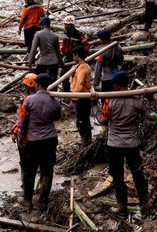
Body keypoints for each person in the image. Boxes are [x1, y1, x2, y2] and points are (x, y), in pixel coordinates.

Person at [99, 71, 148, 216]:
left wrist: (94, 106)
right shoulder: (136, 100)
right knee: (138, 174)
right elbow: (151, 114)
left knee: (118, 176)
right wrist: (151, 99)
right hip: (132, 144)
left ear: (116, 84)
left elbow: (103, 121)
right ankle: (145, 206)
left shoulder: (110, 101)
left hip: (114, 144)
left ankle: (122, 208)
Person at [17, 72, 61, 208]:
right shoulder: (56, 101)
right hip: (50, 139)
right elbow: (58, 117)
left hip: (33, 140)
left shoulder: (29, 100)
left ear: (37, 84)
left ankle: (27, 200)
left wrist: (20, 137)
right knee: (47, 170)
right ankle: (43, 200)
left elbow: (23, 122)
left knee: (30, 172)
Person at [12, 73, 37, 202]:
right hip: (41, 139)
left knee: (26, 166)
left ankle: (27, 194)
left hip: (27, 139)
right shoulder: (45, 99)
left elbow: (22, 122)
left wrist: (17, 134)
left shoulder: (26, 102)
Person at [60, 16, 90, 93]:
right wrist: (62, 52)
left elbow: (86, 45)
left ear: (70, 25)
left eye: (65, 24)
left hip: (77, 58)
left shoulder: (79, 34)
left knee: (78, 76)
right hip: (68, 57)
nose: (64, 26)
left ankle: (77, 92)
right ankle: (67, 93)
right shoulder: (65, 34)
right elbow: (63, 45)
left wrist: (81, 55)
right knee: (63, 75)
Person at [71, 47, 93, 145]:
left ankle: (86, 143)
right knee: (85, 120)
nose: (73, 58)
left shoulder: (82, 68)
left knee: (81, 121)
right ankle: (87, 141)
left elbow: (79, 85)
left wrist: (73, 99)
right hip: (85, 97)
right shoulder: (85, 66)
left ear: (77, 56)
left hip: (82, 98)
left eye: (73, 55)